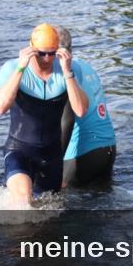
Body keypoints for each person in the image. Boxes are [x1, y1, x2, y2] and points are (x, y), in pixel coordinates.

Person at [0, 23, 89, 205]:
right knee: (23, 202)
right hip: (19, 149)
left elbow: (81, 110)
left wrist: (68, 72)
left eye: (52, 53)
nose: (47, 58)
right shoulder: (11, 67)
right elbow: (0, 107)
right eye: (41, 53)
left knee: (48, 216)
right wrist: (20, 69)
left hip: (52, 155)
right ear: (31, 49)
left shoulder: (67, 70)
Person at [55, 27, 117, 187]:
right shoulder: (85, 65)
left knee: (59, 205)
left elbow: (66, 122)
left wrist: (55, 167)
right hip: (108, 147)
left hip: (81, 153)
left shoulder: (66, 73)